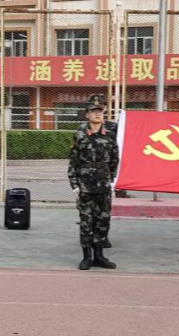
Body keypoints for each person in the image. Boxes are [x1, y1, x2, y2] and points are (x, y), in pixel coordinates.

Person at [68, 94, 118, 271]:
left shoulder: (110, 135)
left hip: (103, 185)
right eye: (93, 111)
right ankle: (86, 257)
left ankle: (99, 256)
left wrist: (112, 179)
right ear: (87, 114)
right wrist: (74, 184)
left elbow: (114, 160)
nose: (97, 114)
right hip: (85, 186)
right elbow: (73, 161)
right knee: (86, 222)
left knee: (103, 221)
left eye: (100, 111)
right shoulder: (80, 135)